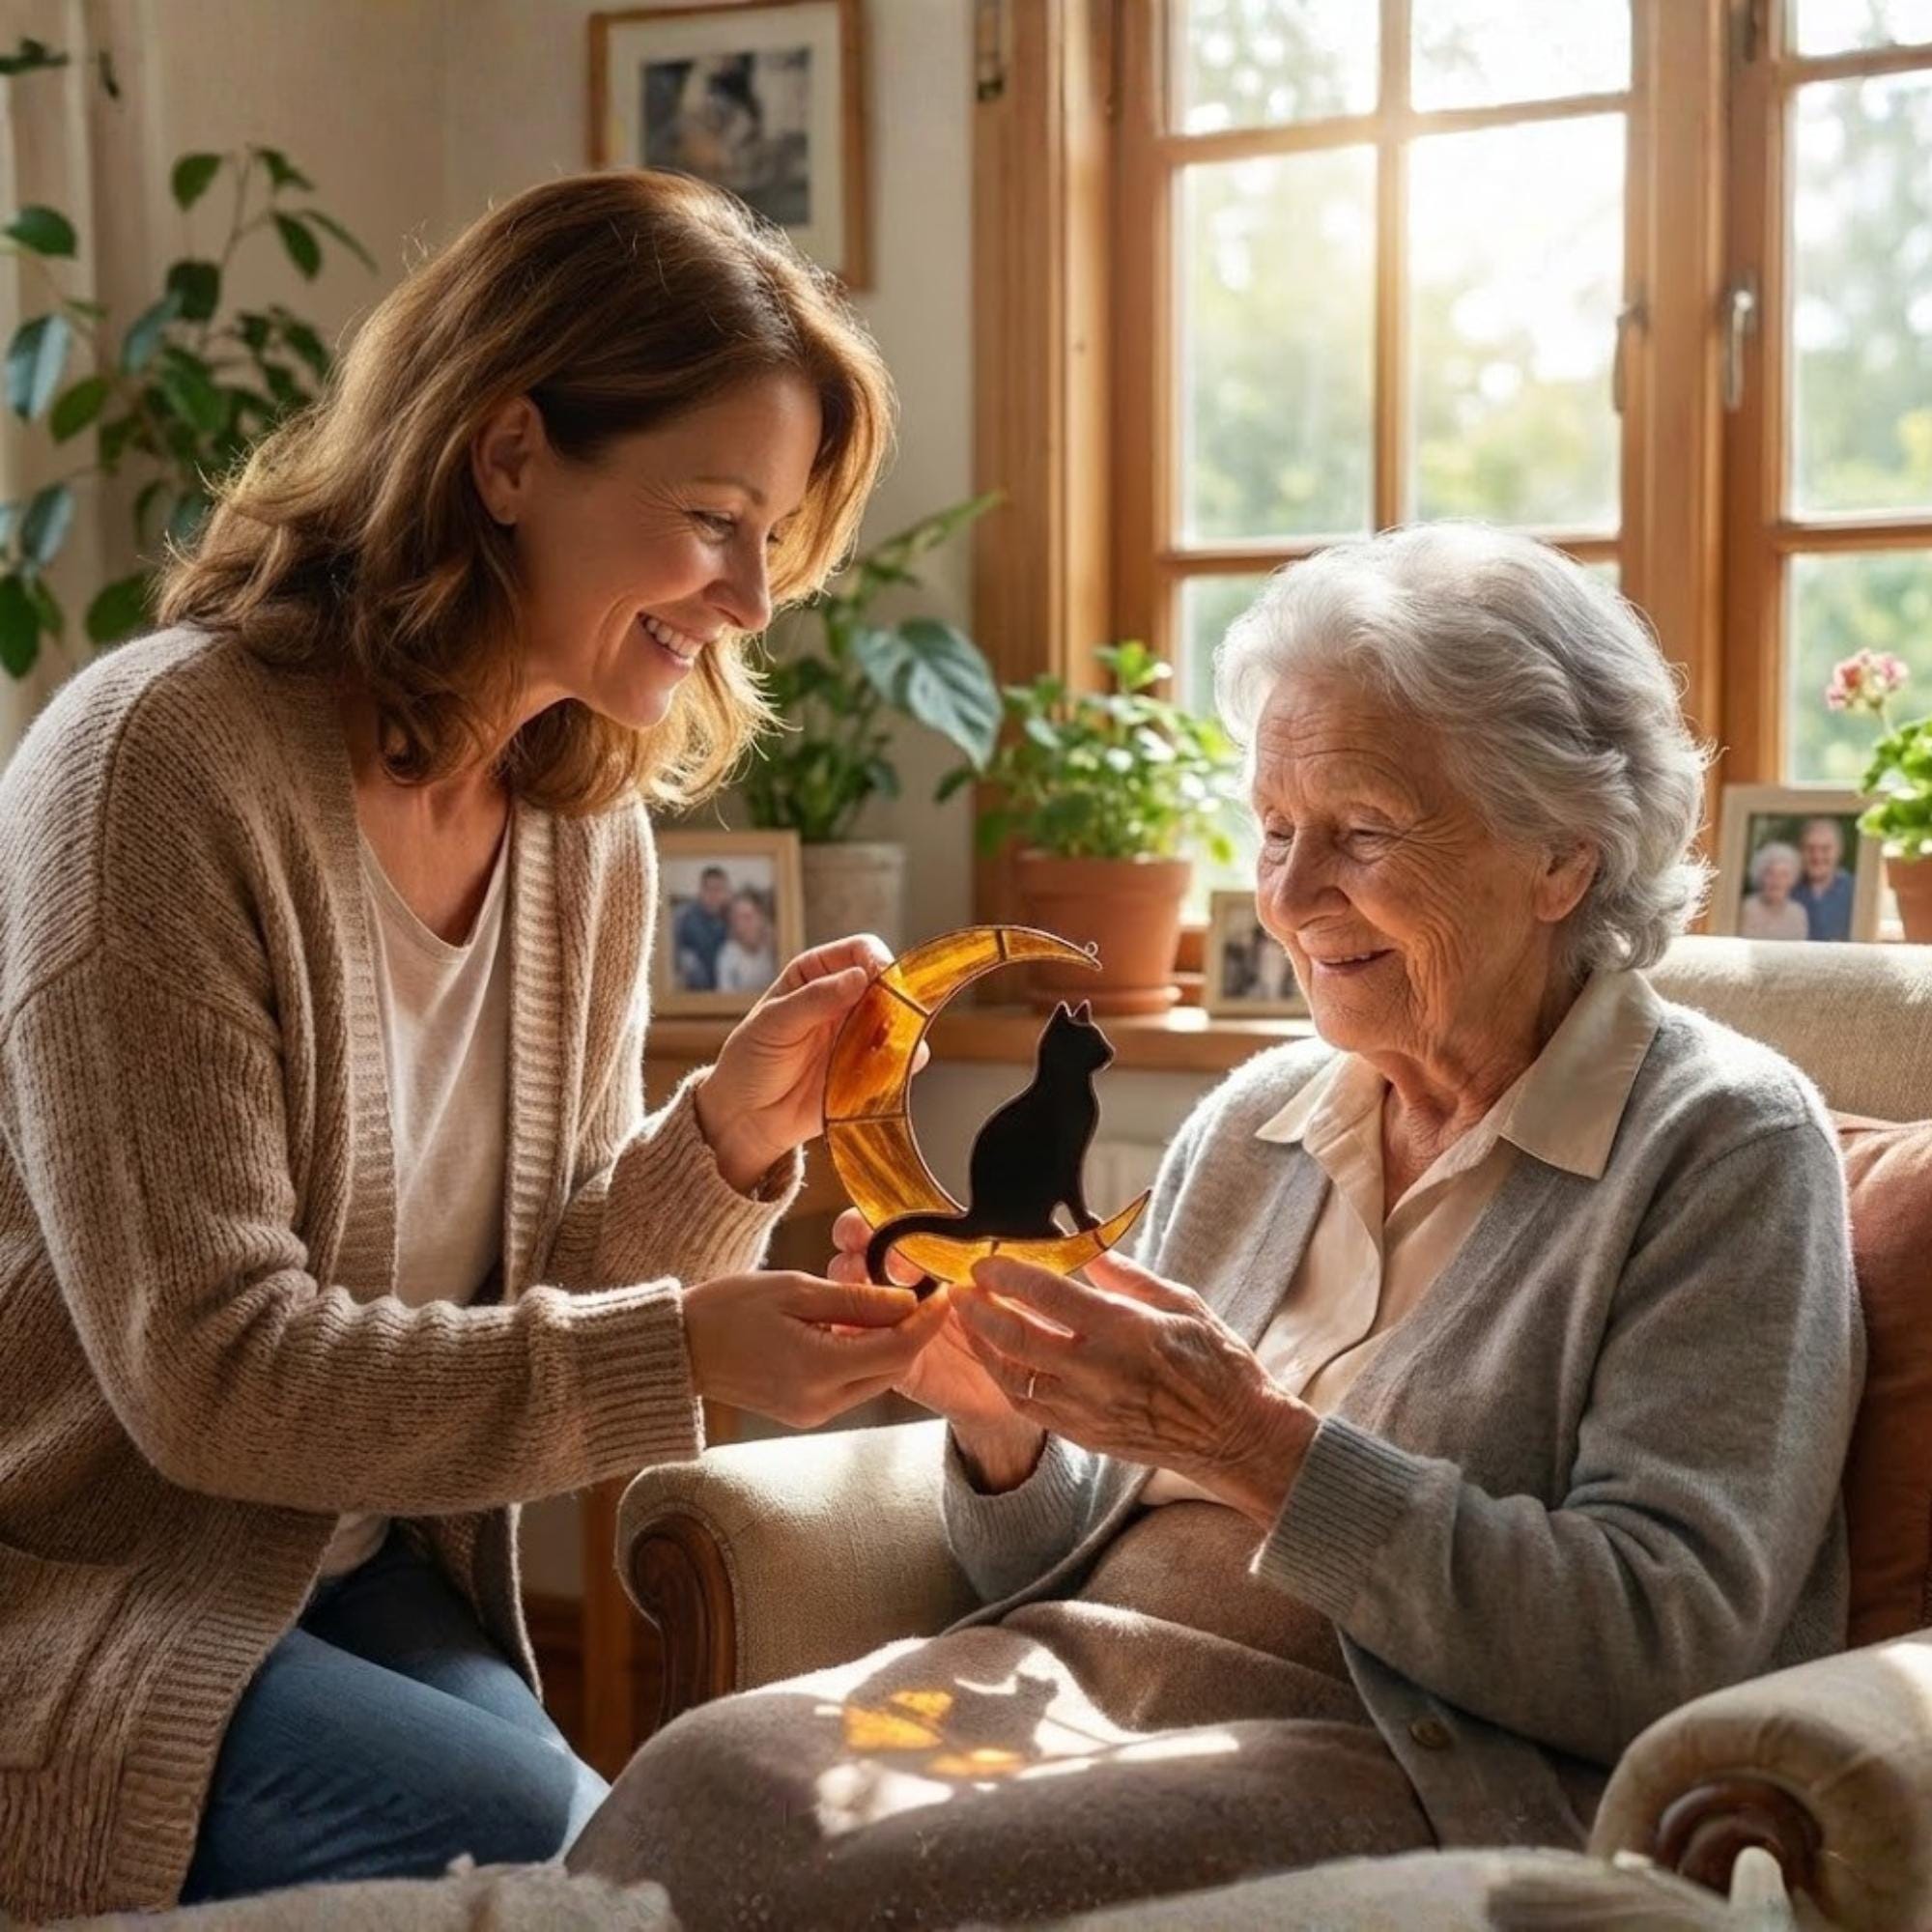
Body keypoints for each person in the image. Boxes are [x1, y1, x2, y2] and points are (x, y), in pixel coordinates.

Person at [570, 525, 1862, 1931]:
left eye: (1361, 835)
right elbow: (1051, 1553)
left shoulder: (1724, 1147)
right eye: (1273, 829)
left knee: (878, 1873)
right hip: (1073, 1682)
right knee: (705, 1778)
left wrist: (1254, 1443)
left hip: (1385, 1755)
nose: (1292, 899)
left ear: (1562, 855)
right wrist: (1004, 1434)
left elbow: (1659, 1641)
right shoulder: (1259, 1117)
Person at [0, 169, 952, 1922]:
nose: (751, 598)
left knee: (658, 1835)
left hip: (354, 1571)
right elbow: (210, 1373)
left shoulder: (582, 824)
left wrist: (727, 1140)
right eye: (715, 518)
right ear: (509, 456)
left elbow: (538, 1284)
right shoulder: (155, 763)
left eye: (776, 537)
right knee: (574, 1859)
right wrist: (688, 1348)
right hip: (87, 1596)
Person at [1793, 816, 1855, 941]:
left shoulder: (1856, 891)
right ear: (1800, 851)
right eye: (1810, 849)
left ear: (1839, 851)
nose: (1817, 856)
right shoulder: (1785, 888)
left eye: (1825, 849)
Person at [674, 865, 734, 989]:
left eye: (718, 889)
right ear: (700, 891)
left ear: (726, 892)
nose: (713, 895)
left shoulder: (732, 917)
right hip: (694, 990)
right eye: (708, 889)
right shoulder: (685, 918)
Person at [1739, 839, 1810, 941]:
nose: (1777, 880)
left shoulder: (1798, 913)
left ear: (1793, 879)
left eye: (1784, 875)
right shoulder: (1746, 909)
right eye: (1770, 873)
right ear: (1760, 877)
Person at [715, 891, 779, 995]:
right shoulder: (727, 954)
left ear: (761, 918)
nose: (741, 925)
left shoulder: (774, 948)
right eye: (736, 919)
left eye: (747, 918)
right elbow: (725, 997)